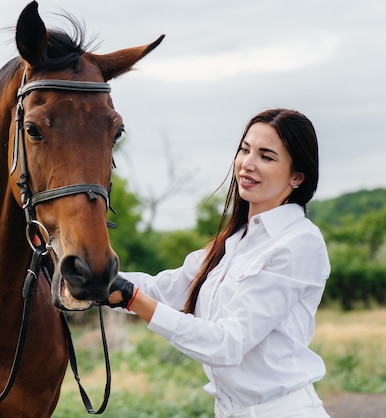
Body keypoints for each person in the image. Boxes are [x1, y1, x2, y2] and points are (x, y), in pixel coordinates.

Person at [104, 108, 331, 417]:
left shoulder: (299, 243)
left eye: (266, 157)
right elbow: (162, 290)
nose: (247, 164)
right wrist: (90, 275)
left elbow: (228, 343)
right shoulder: (233, 242)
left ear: (297, 176)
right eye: (244, 149)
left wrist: (133, 300)